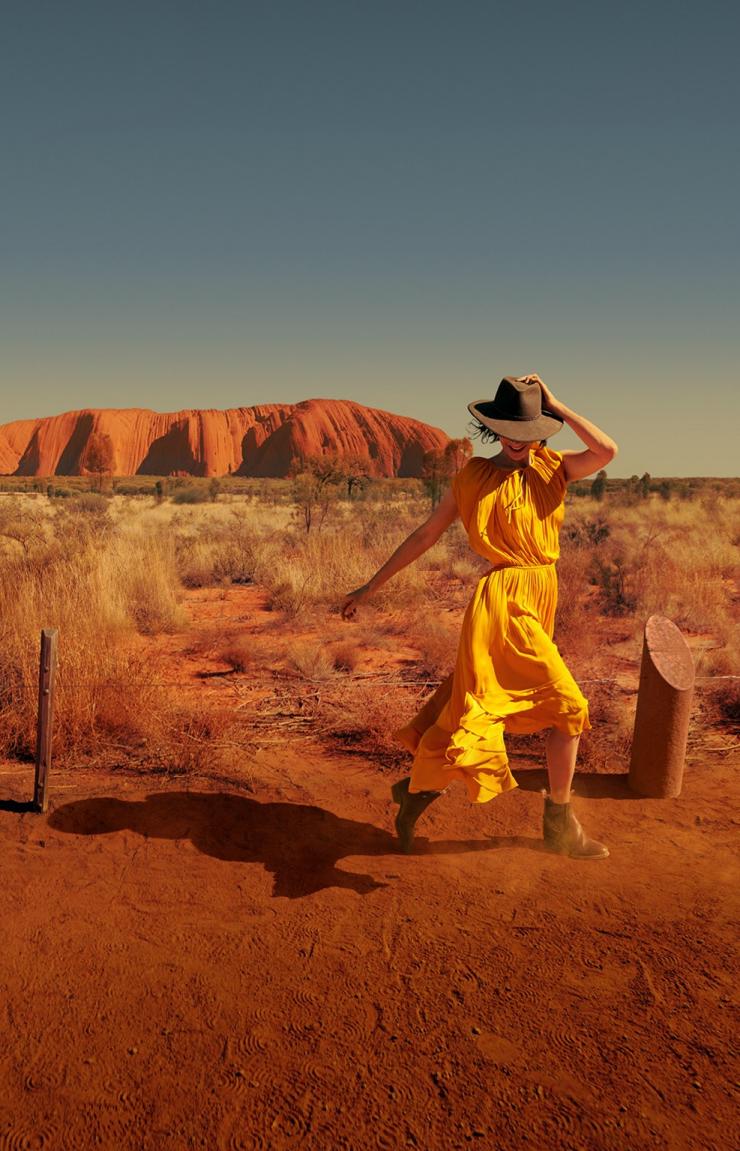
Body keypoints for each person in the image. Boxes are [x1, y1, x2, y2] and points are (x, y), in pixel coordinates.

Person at [341, 374, 618, 859]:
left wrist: (558, 405)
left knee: (472, 709)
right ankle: (560, 825)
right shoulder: (471, 476)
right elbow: (425, 535)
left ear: (541, 429)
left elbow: (607, 451)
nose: (517, 439)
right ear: (493, 429)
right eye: (508, 428)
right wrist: (370, 587)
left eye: (528, 428)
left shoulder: (555, 468)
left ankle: (413, 795)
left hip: (539, 595)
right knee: (566, 708)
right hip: (501, 602)